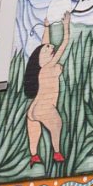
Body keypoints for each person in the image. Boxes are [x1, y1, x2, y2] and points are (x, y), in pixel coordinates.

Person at [22, 19, 72, 171]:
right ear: (41, 59)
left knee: (34, 137)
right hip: (45, 108)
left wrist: (46, 27)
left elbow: (44, 44)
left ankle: (34, 155)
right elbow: (64, 43)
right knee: (57, 125)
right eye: (48, 49)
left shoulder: (42, 66)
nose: (51, 47)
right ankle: (57, 153)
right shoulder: (48, 66)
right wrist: (66, 25)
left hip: (33, 110)